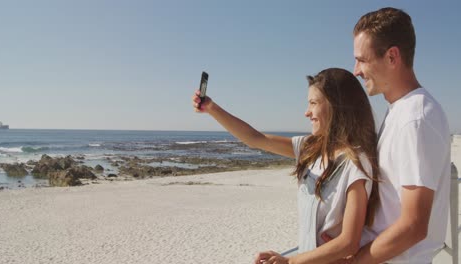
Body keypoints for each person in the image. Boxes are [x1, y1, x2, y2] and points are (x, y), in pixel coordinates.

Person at [192, 68, 380, 264]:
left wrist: (290, 262)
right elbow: (256, 139)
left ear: (337, 106)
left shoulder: (356, 163)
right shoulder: (310, 148)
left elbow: (349, 242)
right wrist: (212, 108)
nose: (307, 112)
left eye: (313, 103)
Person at [327, 7, 451, 264]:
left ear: (392, 57)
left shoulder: (416, 118)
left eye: (362, 59)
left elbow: (414, 225)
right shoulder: (400, 111)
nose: (356, 70)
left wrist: (354, 261)